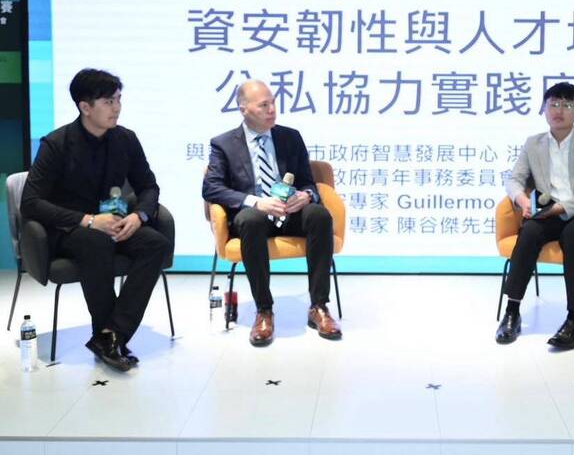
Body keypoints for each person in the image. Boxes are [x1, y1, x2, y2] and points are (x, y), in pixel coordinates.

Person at [20, 68, 169, 372]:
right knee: (95, 241)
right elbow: (31, 203)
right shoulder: (57, 144)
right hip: (70, 228)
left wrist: (138, 216)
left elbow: (148, 187)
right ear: (85, 107)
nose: (116, 108)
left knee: (155, 243)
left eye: (118, 100)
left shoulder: (125, 139)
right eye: (108, 102)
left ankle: (111, 334)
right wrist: (88, 220)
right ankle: (107, 334)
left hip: (114, 222)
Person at [202, 79, 341, 347]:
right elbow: (212, 188)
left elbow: (308, 182)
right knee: (250, 220)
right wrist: (255, 202)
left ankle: (319, 306)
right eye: (263, 105)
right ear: (243, 109)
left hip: (290, 211)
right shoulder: (223, 144)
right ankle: (264, 310)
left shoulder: (290, 137)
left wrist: (306, 196)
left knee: (319, 216)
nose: (272, 110)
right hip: (254, 215)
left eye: (273, 103)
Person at [496, 82, 574, 349]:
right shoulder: (533, 143)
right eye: (554, 104)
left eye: (568, 105)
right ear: (544, 109)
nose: (559, 110)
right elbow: (514, 179)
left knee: (573, 235)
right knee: (529, 232)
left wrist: (560, 208)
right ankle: (512, 311)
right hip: (548, 210)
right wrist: (522, 199)